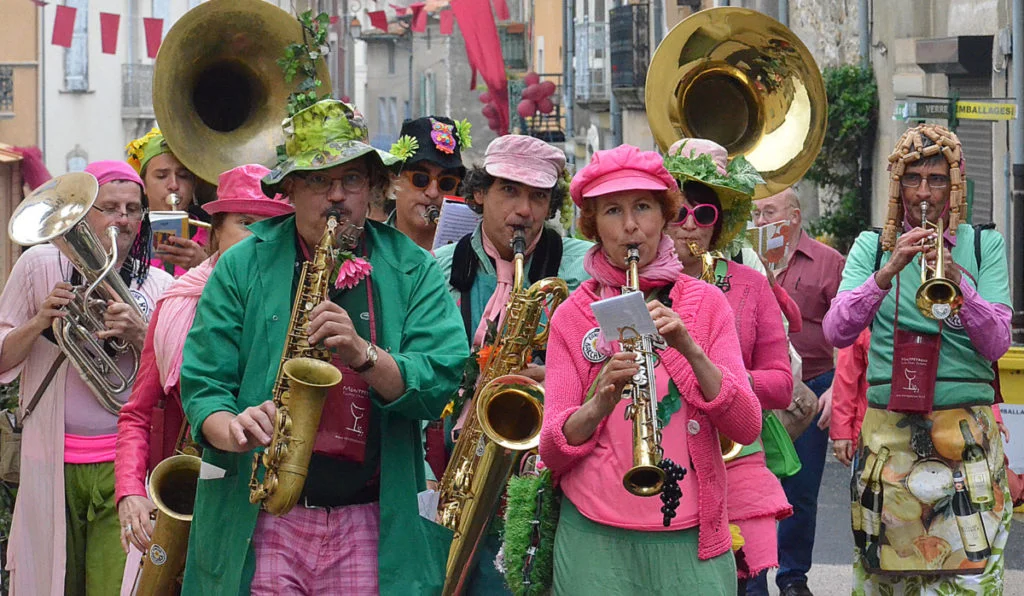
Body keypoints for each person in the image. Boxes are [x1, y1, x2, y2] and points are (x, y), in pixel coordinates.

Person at [178, 99, 468, 595]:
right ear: (288, 190)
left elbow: (441, 374)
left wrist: (364, 354)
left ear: (372, 188)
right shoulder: (241, 264)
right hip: (261, 516)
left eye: (351, 180)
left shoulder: (412, 267)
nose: (336, 197)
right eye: (317, 180)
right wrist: (232, 428)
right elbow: (204, 384)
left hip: (370, 517)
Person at [539, 144, 762, 595]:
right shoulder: (573, 314)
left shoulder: (706, 304)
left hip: (690, 535)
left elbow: (746, 422)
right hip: (595, 541)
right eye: (612, 211)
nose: (630, 226)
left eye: (643, 207)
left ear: (665, 216)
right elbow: (553, 450)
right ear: (592, 226)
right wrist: (599, 400)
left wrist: (688, 348)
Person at [822, 124, 1012, 593]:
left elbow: (997, 344)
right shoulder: (871, 247)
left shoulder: (985, 245)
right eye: (912, 179)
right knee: (887, 574)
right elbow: (837, 329)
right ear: (897, 185)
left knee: (969, 572)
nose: (924, 193)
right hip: (889, 437)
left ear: (955, 185)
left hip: (965, 434)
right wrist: (887, 272)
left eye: (936, 179)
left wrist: (957, 282)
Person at [114, 164, 294, 593]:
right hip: (185, 498)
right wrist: (130, 491)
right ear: (213, 232)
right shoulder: (175, 302)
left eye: (270, 227)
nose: (257, 239)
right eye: (245, 224)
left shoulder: (297, 303)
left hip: (271, 510)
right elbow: (137, 413)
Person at [0, 161, 174, 595]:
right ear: (82, 212)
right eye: (109, 207)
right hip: (48, 459)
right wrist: (40, 321)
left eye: (133, 210)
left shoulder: (159, 284)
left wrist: (140, 333)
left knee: (115, 586)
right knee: (50, 583)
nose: (123, 219)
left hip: (126, 469)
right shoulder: (39, 265)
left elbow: (177, 378)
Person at [432, 134, 591, 594]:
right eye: (510, 192)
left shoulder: (582, 268)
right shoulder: (439, 267)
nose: (524, 211)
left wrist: (561, 375)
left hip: (548, 465)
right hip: (457, 459)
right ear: (479, 194)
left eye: (538, 196)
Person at [663, 139, 794, 593]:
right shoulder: (638, 285)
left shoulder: (750, 285)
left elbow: (780, 385)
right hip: (663, 461)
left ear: (719, 227)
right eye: (678, 213)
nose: (690, 227)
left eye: (704, 215)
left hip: (736, 462)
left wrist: (724, 380)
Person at [749, 185, 845, 596]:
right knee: (752, 487)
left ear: (794, 216)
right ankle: (752, 579)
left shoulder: (828, 261)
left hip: (813, 386)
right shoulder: (747, 260)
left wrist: (840, 385)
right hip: (761, 385)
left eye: (768, 212)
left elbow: (849, 329)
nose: (760, 221)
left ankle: (793, 576)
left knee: (801, 490)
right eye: (755, 215)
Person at [126, 128, 208, 276]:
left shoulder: (215, 234)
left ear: (193, 184)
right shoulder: (126, 233)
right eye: (162, 176)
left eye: (183, 176)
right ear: (143, 184)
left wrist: (205, 266)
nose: (174, 185)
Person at [387, 116, 469, 250]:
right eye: (420, 179)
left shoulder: (468, 253)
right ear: (394, 179)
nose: (433, 192)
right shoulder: (369, 246)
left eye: (446, 183)